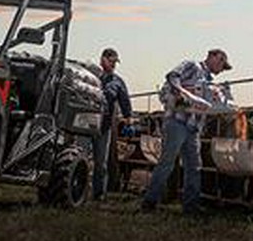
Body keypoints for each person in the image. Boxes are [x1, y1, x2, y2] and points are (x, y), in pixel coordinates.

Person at [141, 49, 234, 214]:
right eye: (221, 62)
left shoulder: (211, 83)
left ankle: (191, 207)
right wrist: (182, 94)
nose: (221, 69)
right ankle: (150, 202)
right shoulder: (192, 66)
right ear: (211, 56)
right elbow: (172, 76)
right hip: (177, 122)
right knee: (167, 162)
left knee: (194, 166)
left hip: (193, 128)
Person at [92, 47, 133, 201]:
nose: (114, 65)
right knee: (79, 155)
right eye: (111, 61)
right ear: (102, 60)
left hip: (104, 125)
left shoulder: (117, 82)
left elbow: (125, 102)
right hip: (84, 122)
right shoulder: (91, 77)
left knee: (101, 161)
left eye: (115, 62)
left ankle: (98, 194)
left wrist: (129, 120)